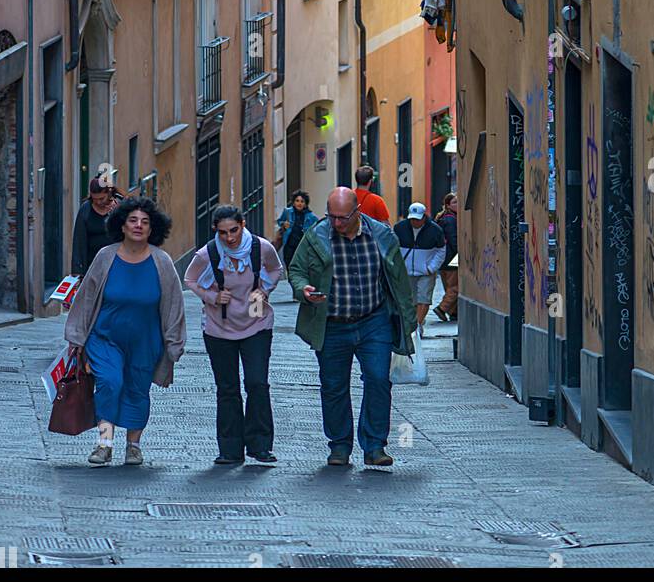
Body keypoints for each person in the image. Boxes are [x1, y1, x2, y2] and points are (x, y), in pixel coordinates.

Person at [288, 187, 417, 469]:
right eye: (331, 216)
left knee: (378, 380)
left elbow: (399, 279)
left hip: (374, 320)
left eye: (342, 218)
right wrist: (303, 290)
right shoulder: (316, 236)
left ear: (357, 212)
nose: (336, 223)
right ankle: (339, 446)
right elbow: (296, 271)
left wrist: (408, 320)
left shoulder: (382, 236)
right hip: (332, 325)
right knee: (333, 386)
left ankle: (374, 446)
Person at [65, 196, 186, 467]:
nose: (138, 226)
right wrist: (77, 337)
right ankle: (104, 444)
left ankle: (133, 446)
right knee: (109, 383)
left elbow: (174, 304)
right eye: (133, 220)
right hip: (105, 336)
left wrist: (174, 343)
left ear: (153, 228)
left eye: (145, 222)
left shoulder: (162, 262)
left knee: (137, 391)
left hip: (146, 341)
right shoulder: (105, 257)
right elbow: (86, 298)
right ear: (121, 225)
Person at [185, 205, 283, 466]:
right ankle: (230, 450)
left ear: (243, 224)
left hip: (256, 322)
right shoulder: (208, 254)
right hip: (219, 327)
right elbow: (190, 279)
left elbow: (275, 269)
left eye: (234, 230)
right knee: (227, 389)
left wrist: (264, 290)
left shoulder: (260, 248)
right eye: (223, 232)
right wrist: (212, 296)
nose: (229, 238)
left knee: (257, 383)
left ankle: (260, 446)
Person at [393, 202, 446, 331]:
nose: (414, 222)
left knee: (424, 298)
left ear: (424, 217)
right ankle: (413, 323)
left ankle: (417, 325)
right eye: (412, 219)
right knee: (409, 300)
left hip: (425, 272)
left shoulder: (435, 230)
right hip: (405, 272)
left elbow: (441, 250)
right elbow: (392, 246)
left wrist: (431, 268)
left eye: (417, 219)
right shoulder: (399, 228)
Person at [71, 176, 121, 277]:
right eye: (95, 199)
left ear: (109, 193)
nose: (98, 202)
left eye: (101, 198)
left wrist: (117, 214)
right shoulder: (85, 209)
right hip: (92, 265)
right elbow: (79, 241)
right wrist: (78, 271)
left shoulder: (120, 207)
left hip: (116, 263)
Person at [273, 191, 319, 272]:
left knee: (301, 268)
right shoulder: (287, 212)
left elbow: (317, 228)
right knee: (289, 266)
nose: (299, 203)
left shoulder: (311, 217)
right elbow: (280, 221)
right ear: (293, 202)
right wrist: (284, 224)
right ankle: (292, 282)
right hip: (289, 244)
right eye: (297, 201)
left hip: (302, 246)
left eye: (302, 201)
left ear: (305, 204)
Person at [433, 194, 458, 322]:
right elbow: (454, 241)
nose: (457, 205)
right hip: (451, 259)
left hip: (442, 258)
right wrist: (460, 255)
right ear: (448, 205)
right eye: (455, 202)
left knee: (449, 287)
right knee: (455, 287)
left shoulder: (442, 218)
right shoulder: (451, 220)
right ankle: (442, 308)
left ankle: (454, 312)